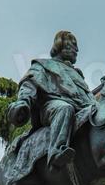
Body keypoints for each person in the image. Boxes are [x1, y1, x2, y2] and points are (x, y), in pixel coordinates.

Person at [7, 30, 97, 172]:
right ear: (60, 47)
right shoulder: (43, 65)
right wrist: (23, 101)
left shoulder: (77, 74)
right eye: (72, 46)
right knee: (64, 109)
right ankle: (56, 152)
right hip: (51, 107)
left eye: (76, 47)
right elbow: (29, 85)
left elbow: (87, 96)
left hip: (81, 107)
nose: (77, 50)